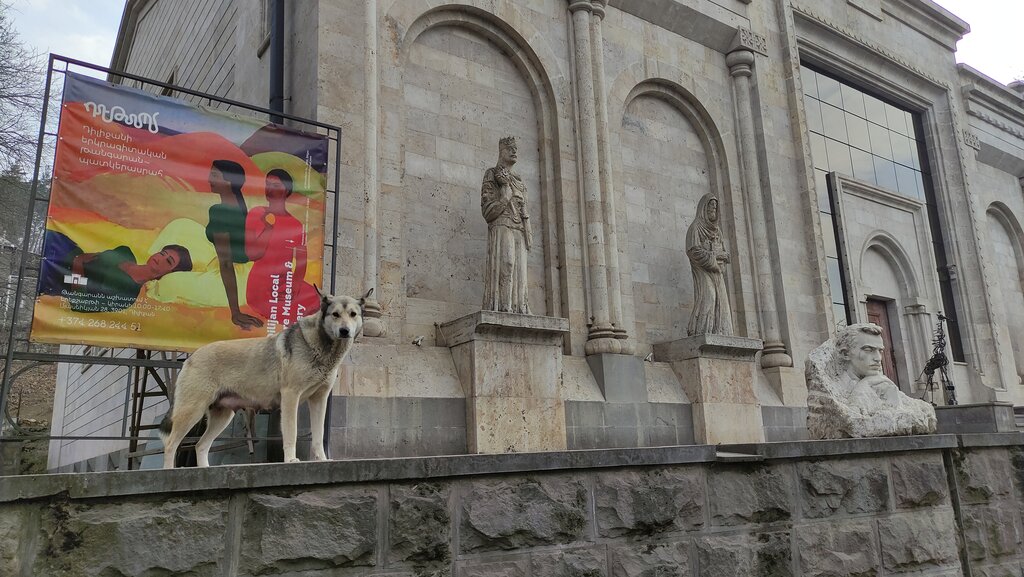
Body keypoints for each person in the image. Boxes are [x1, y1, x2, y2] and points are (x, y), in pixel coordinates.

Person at [38, 230, 192, 313]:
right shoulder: (125, 252)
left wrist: (78, 265)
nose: (161, 258)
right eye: (163, 253)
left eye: (169, 261)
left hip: (52, 277)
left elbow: (80, 303)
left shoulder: (127, 296)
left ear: (168, 274)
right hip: (60, 245)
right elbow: (93, 258)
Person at [244, 169, 319, 332]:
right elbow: (251, 253)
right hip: (262, 284)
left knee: (318, 302)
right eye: (267, 184)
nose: (269, 189)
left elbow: (301, 262)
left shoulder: (296, 225)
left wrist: (294, 287)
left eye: (275, 185)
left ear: (286, 189)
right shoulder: (256, 213)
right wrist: (268, 229)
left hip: (286, 283)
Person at [207, 159, 263, 330]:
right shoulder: (240, 207)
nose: (209, 179)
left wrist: (235, 311)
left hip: (236, 278)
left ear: (229, 181)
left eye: (215, 175)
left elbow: (225, 262)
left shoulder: (221, 211)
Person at [481, 136, 532, 314]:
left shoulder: (519, 180)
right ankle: (503, 306)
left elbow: (525, 209)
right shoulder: (492, 174)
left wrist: (527, 227)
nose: (514, 151)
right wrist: (504, 197)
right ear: (501, 151)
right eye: (509, 148)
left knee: (521, 272)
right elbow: (487, 211)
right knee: (507, 263)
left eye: (515, 148)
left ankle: (519, 308)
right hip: (502, 225)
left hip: (519, 228)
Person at [685, 193, 733, 336]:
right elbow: (694, 251)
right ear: (703, 208)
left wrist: (723, 257)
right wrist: (715, 256)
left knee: (721, 302)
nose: (713, 209)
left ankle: (720, 332)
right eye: (710, 207)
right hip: (703, 270)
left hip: (717, 271)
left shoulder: (717, 231)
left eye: (715, 207)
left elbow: (723, 251)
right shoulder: (695, 228)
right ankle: (700, 331)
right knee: (709, 297)